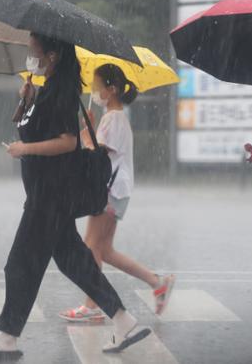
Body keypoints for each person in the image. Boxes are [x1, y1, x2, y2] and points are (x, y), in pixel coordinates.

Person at [0, 34, 151, 360]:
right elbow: (28, 126)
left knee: (20, 265)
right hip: (47, 193)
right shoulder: (47, 89)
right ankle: (125, 321)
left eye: (33, 51)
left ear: (52, 56)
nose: (30, 56)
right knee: (75, 262)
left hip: (49, 196)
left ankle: (7, 337)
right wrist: (25, 99)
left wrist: (25, 149)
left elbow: (67, 142)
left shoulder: (63, 91)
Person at [58, 63, 175, 323]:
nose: (95, 91)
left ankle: (91, 304)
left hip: (109, 190)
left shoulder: (113, 118)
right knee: (104, 250)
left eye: (98, 86)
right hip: (117, 190)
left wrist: (87, 137)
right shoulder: (115, 117)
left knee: (91, 248)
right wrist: (89, 131)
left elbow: (98, 155)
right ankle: (157, 282)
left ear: (110, 90)